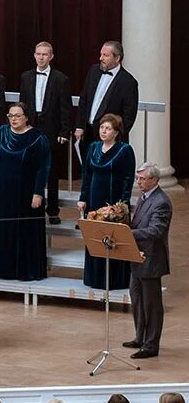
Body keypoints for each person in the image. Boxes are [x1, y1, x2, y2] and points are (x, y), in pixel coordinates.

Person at [0, 102, 51, 281]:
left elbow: (43, 168)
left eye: (17, 115)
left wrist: (38, 192)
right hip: (2, 191)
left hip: (26, 192)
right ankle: (2, 269)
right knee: (3, 228)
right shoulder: (0, 133)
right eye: (11, 115)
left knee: (24, 229)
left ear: (26, 117)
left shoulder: (38, 137)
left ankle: (24, 271)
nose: (13, 119)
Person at [77, 114, 136, 291]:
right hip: (95, 199)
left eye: (108, 128)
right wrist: (83, 198)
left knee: (113, 238)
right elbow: (86, 176)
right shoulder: (93, 147)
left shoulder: (124, 150)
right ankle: (95, 277)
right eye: (102, 127)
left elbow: (128, 178)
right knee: (95, 235)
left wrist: (122, 205)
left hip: (114, 201)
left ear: (116, 132)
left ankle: (115, 280)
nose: (104, 131)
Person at [18, 42, 72, 224]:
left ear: (51, 57)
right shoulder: (26, 77)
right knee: (29, 169)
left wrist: (65, 131)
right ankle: (32, 206)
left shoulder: (60, 79)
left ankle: (53, 210)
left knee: (52, 171)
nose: (41, 57)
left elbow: (65, 108)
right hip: (30, 128)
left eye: (45, 54)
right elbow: (23, 104)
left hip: (51, 129)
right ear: (34, 55)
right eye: (38, 54)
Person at [125, 162, 172, 360]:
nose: (138, 182)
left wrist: (128, 233)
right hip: (137, 257)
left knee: (151, 305)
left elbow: (156, 231)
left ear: (154, 180)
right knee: (136, 300)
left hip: (151, 259)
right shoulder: (144, 197)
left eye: (142, 179)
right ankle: (140, 337)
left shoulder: (161, 201)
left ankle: (151, 345)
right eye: (137, 178)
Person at [75, 41, 140, 158]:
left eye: (106, 55)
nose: (101, 58)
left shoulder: (128, 82)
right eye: (101, 54)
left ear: (117, 58)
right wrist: (79, 126)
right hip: (88, 133)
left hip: (111, 139)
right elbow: (84, 100)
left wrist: (115, 135)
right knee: (87, 171)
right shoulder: (93, 71)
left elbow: (129, 115)